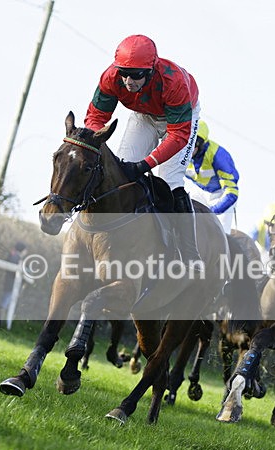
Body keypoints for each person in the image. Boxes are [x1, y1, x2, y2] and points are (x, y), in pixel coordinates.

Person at [84, 35, 203, 272]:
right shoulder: (110, 77)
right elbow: (95, 119)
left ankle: (190, 252)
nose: (128, 81)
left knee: (169, 180)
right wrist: (95, 145)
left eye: (136, 75)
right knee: (121, 170)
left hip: (178, 120)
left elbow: (178, 136)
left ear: (150, 70)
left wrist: (144, 165)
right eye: (124, 73)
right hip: (143, 115)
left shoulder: (173, 82)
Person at [184, 120, 239, 234]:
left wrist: (212, 211)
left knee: (220, 232)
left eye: (192, 144)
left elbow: (232, 193)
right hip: (199, 191)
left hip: (221, 194)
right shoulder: (181, 152)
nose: (187, 149)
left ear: (199, 144)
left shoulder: (219, 156)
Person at [0, 242, 27, 326]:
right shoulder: (15, 257)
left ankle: (1, 322)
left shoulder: (15, 256)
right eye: (25, 250)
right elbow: (14, 270)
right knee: (5, 302)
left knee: (6, 302)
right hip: (11, 284)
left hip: (10, 283)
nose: (26, 252)